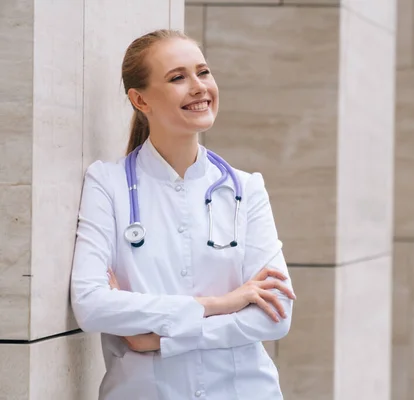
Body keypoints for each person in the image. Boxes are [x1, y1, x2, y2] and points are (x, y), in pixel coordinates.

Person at [70, 29, 296, 400]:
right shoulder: (107, 184)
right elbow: (92, 306)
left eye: (203, 72)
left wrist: (159, 339)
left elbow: (275, 314)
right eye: (178, 77)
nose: (198, 87)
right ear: (140, 100)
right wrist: (220, 305)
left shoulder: (246, 189)